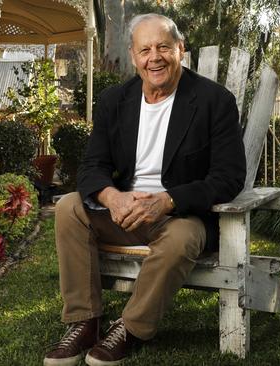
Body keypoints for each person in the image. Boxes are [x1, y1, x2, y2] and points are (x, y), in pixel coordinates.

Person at [44, 13, 246, 366]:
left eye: (164, 47)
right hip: (121, 211)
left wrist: (167, 200)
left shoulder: (214, 101)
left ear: (181, 49)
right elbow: (92, 166)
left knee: (182, 239)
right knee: (68, 208)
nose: (155, 57)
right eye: (145, 49)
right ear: (134, 56)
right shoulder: (113, 101)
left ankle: (129, 327)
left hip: (179, 214)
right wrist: (112, 196)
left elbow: (228, 177)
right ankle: (84, 322)